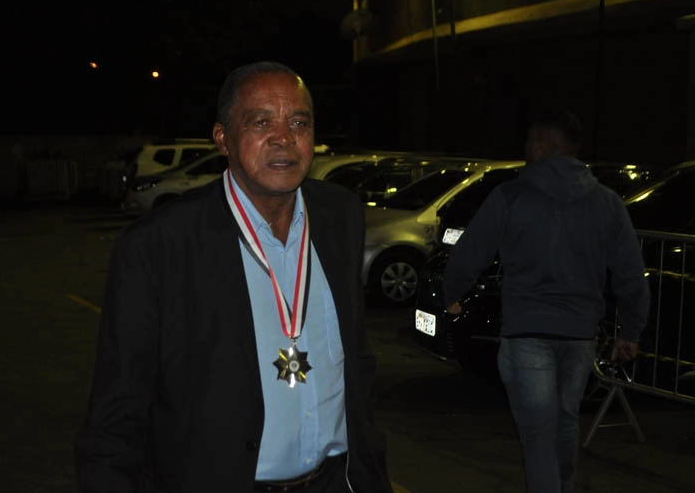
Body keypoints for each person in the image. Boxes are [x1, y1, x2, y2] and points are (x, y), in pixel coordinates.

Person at [75, 61, 392, 493]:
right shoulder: (158, 245)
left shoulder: (340, 217)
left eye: (298, 121)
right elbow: (117, 416)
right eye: (262, 121)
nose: (284, 138)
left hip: (338, 481)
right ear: (222, 138)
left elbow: (356, 358)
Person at [441, 110, 649, 493]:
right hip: (580, 336)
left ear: (540, 146)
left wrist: (452, 294)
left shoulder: (510, 195)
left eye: (528, 143)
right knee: (565, 421)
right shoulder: (607, 202)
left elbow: (471, 251)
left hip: (527, 332)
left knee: (538, 434)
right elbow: (629, 271)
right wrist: (632, 329)